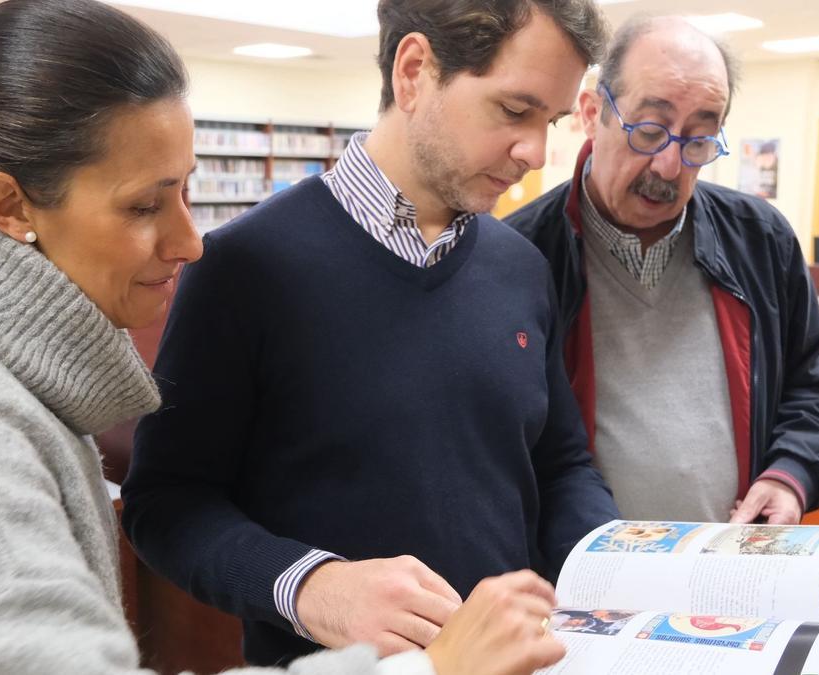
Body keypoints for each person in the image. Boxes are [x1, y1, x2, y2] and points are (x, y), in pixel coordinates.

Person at [0, 1, 566, 673]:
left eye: (186, 190)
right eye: (143, 206)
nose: (189, 241)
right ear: (8, 204)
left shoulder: (4, 378)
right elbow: (168, 501)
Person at [121, 0, 618, 667]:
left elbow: (560, 464)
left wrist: (612, 567)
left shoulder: (521, 266)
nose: (534, 152)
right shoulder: (245, 267)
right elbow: (166, 502)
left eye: (550, 121)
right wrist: (311, 585)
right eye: (513, 110)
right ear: (413, 72)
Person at [506, 16, 819, 526]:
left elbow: (807, 385)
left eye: (699, 140)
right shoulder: (522, 256)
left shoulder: (761, 240)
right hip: (578, 585)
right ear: (593, 114)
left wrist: (790, 474)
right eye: (649, 131)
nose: (669, 166)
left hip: (730, 573)